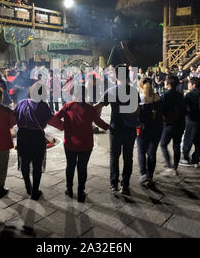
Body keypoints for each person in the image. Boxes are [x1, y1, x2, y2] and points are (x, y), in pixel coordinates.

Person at [55, 85, 109, 202]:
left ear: (74, 94)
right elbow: (100, 123)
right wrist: (110, 127)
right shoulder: (90, 109)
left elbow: (55, 118)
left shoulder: (68, 107)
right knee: (82, 167)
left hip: (70, 143)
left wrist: (63, 126)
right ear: (85, 95)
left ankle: (69, 189)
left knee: (70, 166)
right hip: (86, 144)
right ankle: (81, 191)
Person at [14, 81, 64, 200]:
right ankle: (35, 191)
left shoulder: (21, 103)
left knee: (24, 162)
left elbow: (12, 119)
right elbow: (54, 122)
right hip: (36, 138)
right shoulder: (43, 106)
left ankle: (28, 187)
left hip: (22, 136)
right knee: (37, 164)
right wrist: (66, 126)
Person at [94, 65, 140, 196]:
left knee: (114, 156)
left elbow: (97, 107)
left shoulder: (111, 91)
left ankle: (113, 184)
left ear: (117, 76)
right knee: (128, 157)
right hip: (130, 129)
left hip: (116, 128)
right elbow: (137, 111)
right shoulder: (133, 91)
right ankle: (125, 185)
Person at [136, 77, 162, 186]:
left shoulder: (139, 98)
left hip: (142, 129)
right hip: (156, 129)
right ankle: (150, 175)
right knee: (152, 153)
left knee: (141, 151)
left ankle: (143, 174)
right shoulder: (157, 97)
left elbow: (136, 115)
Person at [180, 77, 200, 168]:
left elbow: (183, 107)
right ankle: (196, 160)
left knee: (188, 140)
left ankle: (185, 158)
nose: (188, 85)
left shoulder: (190, 95)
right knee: (199, 141)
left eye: (189, 83)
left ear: (193, 85)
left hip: (192, 121)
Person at [159, 75, 186, 176]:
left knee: (163, 144)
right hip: (179, 124)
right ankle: (175, 167)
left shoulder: (165, 94)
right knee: (176, 146)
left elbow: (161, 109)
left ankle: (169, 166)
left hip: (169, 124)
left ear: (169, 83)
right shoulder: (180, 95)